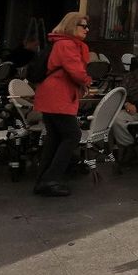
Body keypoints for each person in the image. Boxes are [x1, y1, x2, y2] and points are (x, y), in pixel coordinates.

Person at [31, 12, 92, 197]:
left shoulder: (59, 42)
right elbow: (76, 71)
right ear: (72, 26)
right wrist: (87, 81)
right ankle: (51, 179)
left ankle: (43, 178)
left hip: (51, 95)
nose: (87, 29)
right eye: (83, 26)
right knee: (73, 135)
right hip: (58, 96)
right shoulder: (67, 44)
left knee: (55, 137)